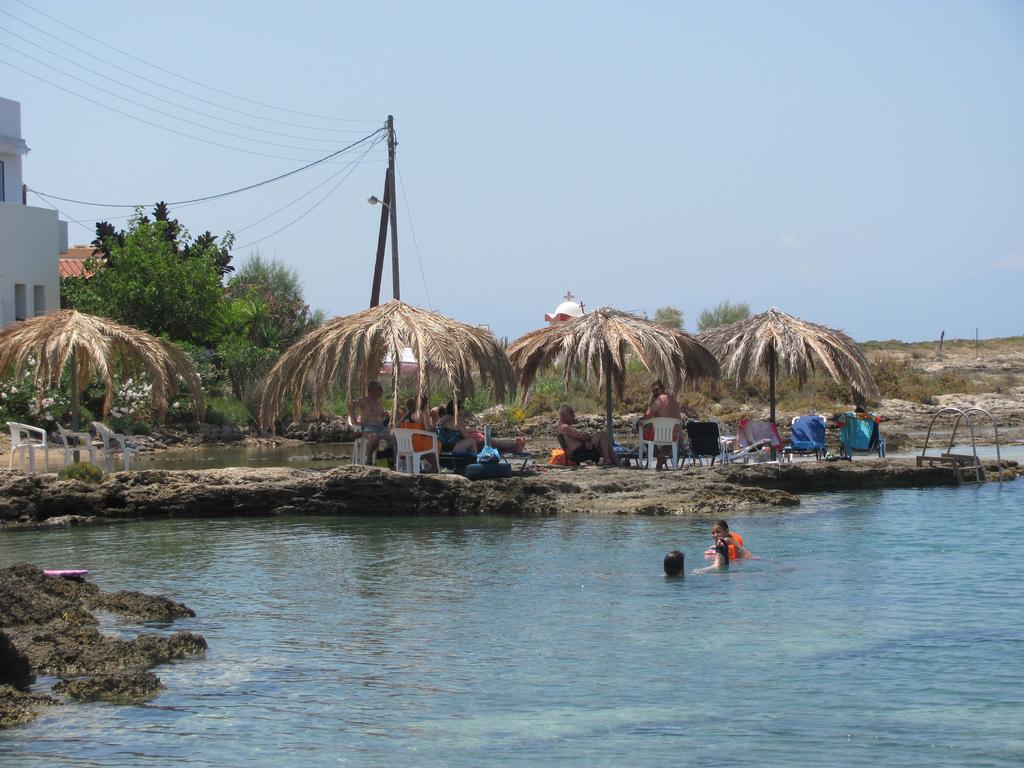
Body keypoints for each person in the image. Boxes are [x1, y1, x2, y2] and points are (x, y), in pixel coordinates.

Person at [642, 380, 683, 470]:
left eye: (656, 390)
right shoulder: (674, 400)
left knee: (640, 427)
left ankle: (657, 455)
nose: (654, 393)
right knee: (668, 437)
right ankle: (662, 456)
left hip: (659, 435)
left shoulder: (660, 399)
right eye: (652, 392)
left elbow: (647, 415)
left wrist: (642, 422)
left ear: (663, 388)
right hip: (674, 436)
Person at [349, 381, 393, 463]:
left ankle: (385, 457)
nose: (382, 391)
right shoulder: (364, 400)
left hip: (380, 428)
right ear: (372, 390)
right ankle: (368, 458)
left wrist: (387, 414)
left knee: (393, 438)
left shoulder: (378, 402)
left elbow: (381, 415)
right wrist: (354, 421)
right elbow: (351, 405)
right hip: (368, 428)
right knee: (374, 437)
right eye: (380, 389)